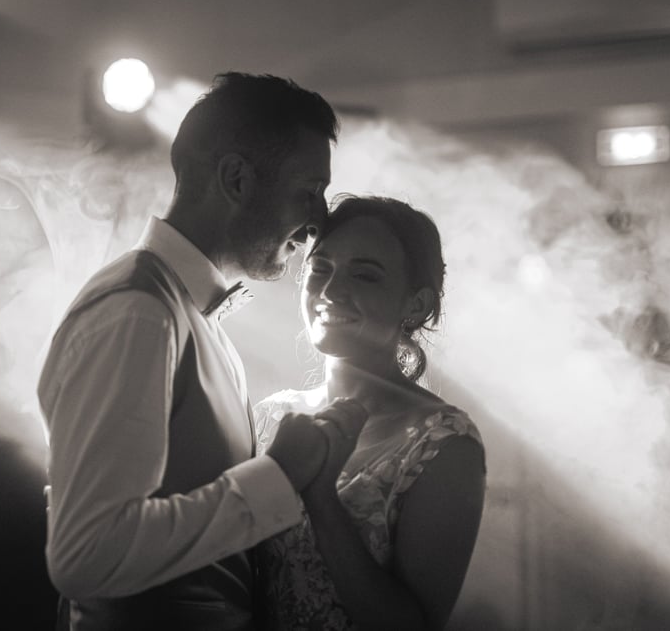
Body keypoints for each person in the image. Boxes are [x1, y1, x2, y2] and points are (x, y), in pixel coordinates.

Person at [38, 72, 349, 630]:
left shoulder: (191, 317)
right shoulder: (139, 314)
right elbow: (88, 556)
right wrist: (279, 475)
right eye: (308, 192)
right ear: (235, 179)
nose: (319, 220)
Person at [254, 195, 487, 631]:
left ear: (415, 305)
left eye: (364, 275)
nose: (330, 291)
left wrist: (321, 496)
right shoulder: (272, 417)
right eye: (319, 269)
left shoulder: (442, 442)